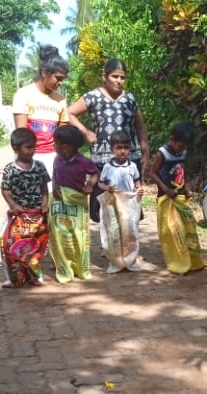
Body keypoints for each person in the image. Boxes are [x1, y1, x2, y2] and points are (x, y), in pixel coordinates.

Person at [67, 59, 151, 222]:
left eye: (122, 77)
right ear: (104, 77)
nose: (119, 81)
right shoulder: (93, 97)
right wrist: (86, 132)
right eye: (115, 76)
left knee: (129, 210)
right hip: (103, 162)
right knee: (105, 211)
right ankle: (111, 246)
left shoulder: (130, 99)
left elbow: (140, 127)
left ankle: (126, 244)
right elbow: (68, 113)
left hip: (128, 161)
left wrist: (145, 152)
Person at [13, 45, 70, 191]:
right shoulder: (23, 94)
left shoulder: (61, 99)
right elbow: (21, 134)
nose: (60, 83)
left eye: (63, 79)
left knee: (50, 203)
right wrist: (25, 163)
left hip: (53, 158)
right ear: (45, 73)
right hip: (30, 157)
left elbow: (62, 135)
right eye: (58, 78)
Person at [151, 122, 205, 274]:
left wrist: (186, 189)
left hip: (180, 196)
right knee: (174, 230)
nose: (183, 149)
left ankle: (193, 262)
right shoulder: (162, 153)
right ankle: (178, 263)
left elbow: (180, 173)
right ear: (173, 139)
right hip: (166, 197)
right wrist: (166, 189)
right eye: (181, 145)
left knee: (189, 228)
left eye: (185, 146)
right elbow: (153, 173)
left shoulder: (182, 152)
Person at [1, 128, 51, 288]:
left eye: (33, 147)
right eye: (27, 147)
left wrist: (44, 203)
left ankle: (34, 276)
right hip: (18, 215)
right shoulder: (10, 169)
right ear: (15, 149)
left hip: (37, 215)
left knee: (35, 244)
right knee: (12, 244)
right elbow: (5, 189)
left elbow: (44, 187)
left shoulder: (40, 166)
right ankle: (15, 277)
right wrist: (14, 205)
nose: (32, 151)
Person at [49, 126, 100, 283]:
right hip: (59, 203)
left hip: (77, 203)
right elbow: (54, 175)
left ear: (65, 147)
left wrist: (90, 185)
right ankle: (63, 264)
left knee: (78, 234)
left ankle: (80, 266)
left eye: (55, 143)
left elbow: (95, 173)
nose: (53, 146)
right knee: (59, 233)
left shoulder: (83, 162)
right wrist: (55, 186)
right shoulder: (57, 159)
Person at [98, 131, 145, 272]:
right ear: (112, 149)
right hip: (113, 203)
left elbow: (137, 182)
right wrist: (107, 188)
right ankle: (116, 260)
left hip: (129, 204)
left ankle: (130, 259)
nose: (122, 151)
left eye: (126, 147)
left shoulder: (132, 166)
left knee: (130, 230)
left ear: (130, 148)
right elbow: (100, 183)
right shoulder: (108, 167)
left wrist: (140, 189)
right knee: (114, 230)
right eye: (119, 148)